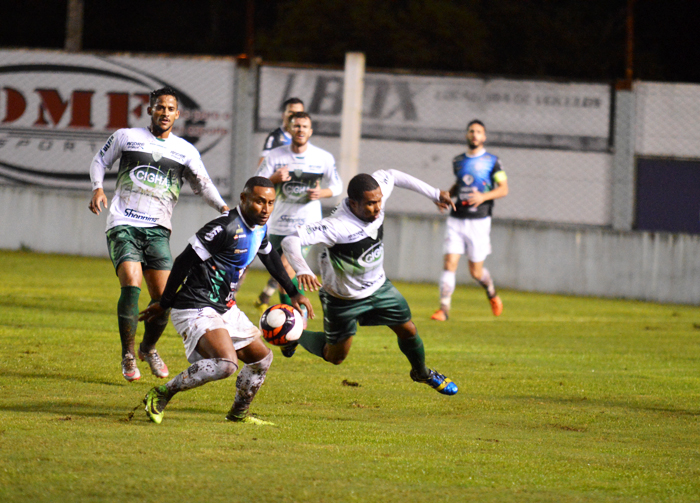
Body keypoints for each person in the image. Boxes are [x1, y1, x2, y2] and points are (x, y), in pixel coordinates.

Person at [139, 176, 314, 425]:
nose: (266, 209)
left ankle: (238, 414)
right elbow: (182, 262)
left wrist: (293, 291)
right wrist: (165, 302)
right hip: (194, 305)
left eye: (271, 203)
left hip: (225, 307)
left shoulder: (260, 226)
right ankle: (162, 393)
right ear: (243, 199)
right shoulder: (223, 228)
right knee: (226, 364)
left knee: (261, 359)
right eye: (259, 202)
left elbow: (270, 256)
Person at [88, 86, 230, 382]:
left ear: (177, 115)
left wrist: (223, 207)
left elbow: (202, 183)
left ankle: (148, 348)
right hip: (123, 223)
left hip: (157, 230)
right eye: (159, 107)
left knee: (165, 299)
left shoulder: (185, 150)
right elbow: (100, 161)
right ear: (149, 109)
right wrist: (97, 188)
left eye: (170, 109)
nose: (164, 113)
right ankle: (128, 354)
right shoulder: (126, 136)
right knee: (131, 283)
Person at [280, 170, 459, 396]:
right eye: (371, 204)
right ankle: (293, 333)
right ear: (353, 203)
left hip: (379, 288)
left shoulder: (375, 194)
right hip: (343, 299)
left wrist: (434, 193)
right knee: (335, 357)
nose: (377, 208)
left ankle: (422, 373)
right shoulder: (336, 226)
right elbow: (290, 240)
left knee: (408, 329)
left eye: (379, 201)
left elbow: (393, 175)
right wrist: (303, 269)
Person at [253, 111, 343, 313]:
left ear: (310, 131)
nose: (300, 130)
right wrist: (274, 179)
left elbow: (337, 186)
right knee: (279, 273)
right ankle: (290, 313)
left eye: (304, 126)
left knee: (286, 267)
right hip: (277, 224)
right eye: (296, 126)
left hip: (305, 227)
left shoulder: (322, 158)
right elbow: (255, 184)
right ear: (289, 129)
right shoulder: (275, 156)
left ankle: (291, 315)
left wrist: (322, 193)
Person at [431, 119, 509, 321]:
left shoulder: (493, 161)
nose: (475, 134)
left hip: (479, 220)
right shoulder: (458, 161)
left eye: (479, 132)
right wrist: (447, 196)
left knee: (476, 272)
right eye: (471, 131)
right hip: (456, 218)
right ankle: (443, 309)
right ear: (467, 135)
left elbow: (504, 189)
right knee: (450, 263)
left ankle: (491, 291)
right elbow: (459, 184)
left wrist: (483, 196)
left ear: (484, 137)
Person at [257, 97, 305, 168]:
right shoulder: (276, 137)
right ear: (283, 115)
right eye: (291, 112)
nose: (294, 117)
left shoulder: (304, 136)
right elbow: (262, 165)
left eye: (298, 113)